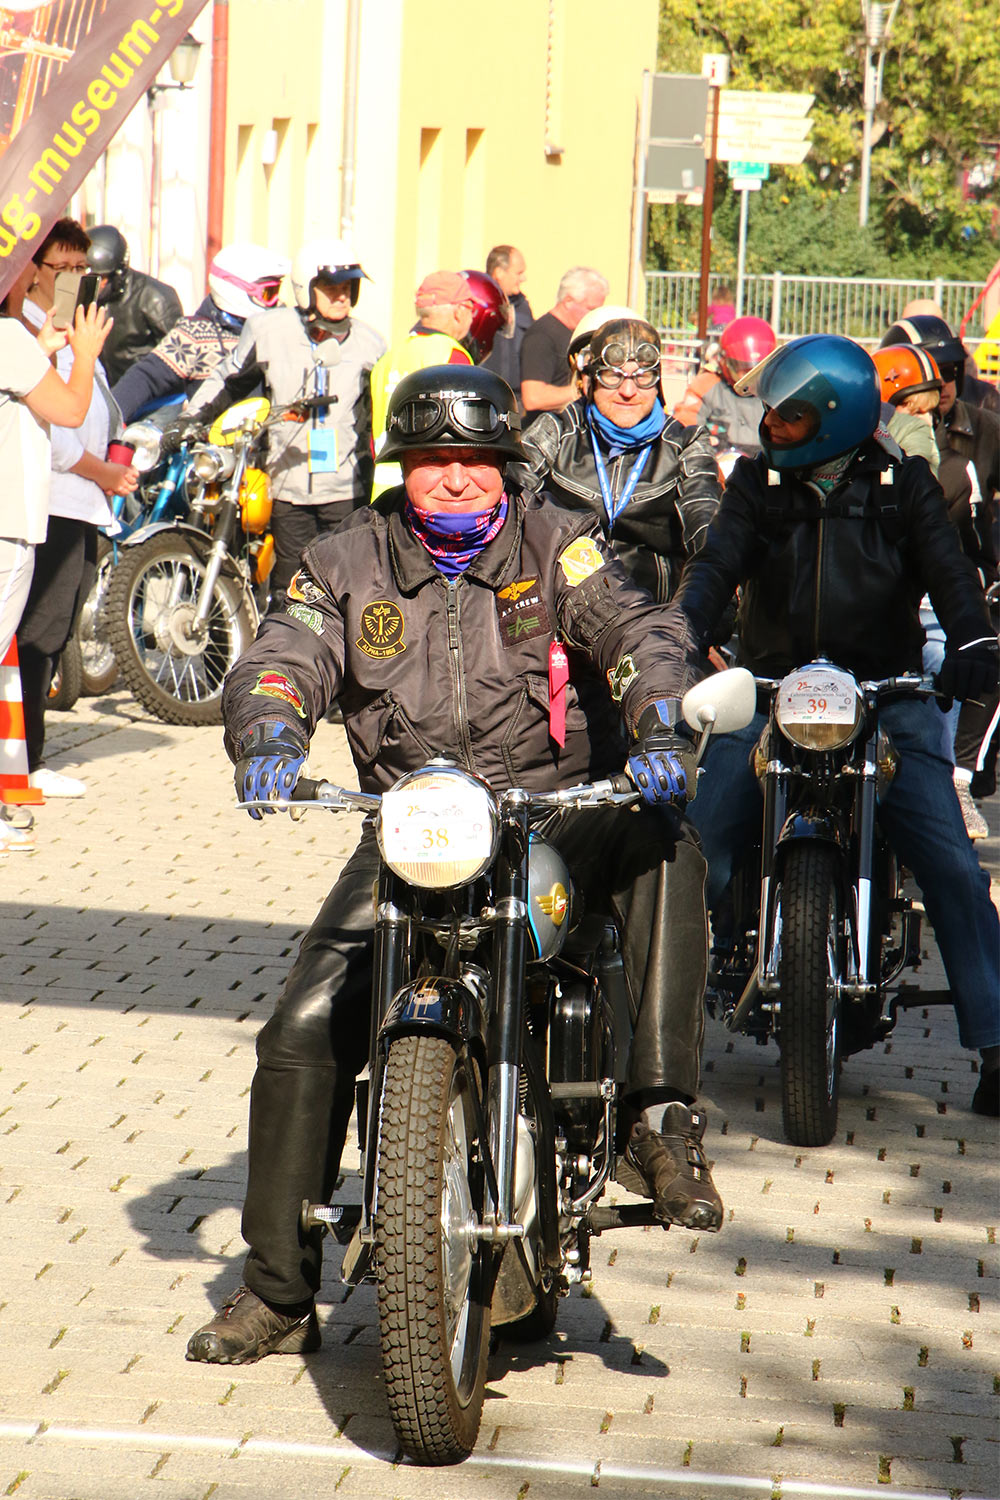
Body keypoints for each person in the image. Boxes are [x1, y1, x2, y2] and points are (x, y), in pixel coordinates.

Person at [185, 363, 724, 1365]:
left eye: (473, 461)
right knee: (300, 1027)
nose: (454, 479)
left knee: (666, 836)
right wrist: (267, 726)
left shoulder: (555, 542)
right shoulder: (345, 558)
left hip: (545, 807)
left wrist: (657, 723)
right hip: (416, 821)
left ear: (503, 467)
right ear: (405, 467)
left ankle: (660, 1115)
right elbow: (283, 649)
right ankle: (275, 1291)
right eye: (433, 461)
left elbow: (635, 628)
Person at [675, 334, 1000, 1117]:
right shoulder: (757, 484)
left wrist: (976, 640)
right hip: (769, 690)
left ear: (830, 416)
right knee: (695, 845)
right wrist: (678, 633)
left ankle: (994, 1040)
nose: (769, 428)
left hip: (884, 692)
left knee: (952, 863)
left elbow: (952, 573)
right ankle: (658, 1036)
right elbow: (716, 566)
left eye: (785, 418)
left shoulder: (903, 484)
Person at [184, 239, 387, 610]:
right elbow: (229, 380)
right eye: (331, 288)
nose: (342, 297)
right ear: (305, 289)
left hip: (346, 490)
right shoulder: (267, 330)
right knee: (291, 590)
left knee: (350, 588)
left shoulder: (372, 345)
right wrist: (190, 419)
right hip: (287, 486)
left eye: (348, 288)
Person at [19, 218, 138, 799]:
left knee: (56, 630)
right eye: (60, 269)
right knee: (36, 634)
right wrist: (103, 470)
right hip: (48, 502)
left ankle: (26, 757)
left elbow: (97, 413)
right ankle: (26, 760)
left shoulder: (74, 329)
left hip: (80, 503)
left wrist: (114, 465)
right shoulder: (28, 332)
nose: (71, 280)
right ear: (31, 269)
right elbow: (61, 430)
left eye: (79, 270)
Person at [0, 277, 111, 850]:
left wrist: (39, 349)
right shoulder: (5, 337)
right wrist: (83, 357)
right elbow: (69, 409)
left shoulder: (16, 342)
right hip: (7, 524)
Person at [517, 309, 721, 604]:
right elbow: (510, 496)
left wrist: (706, 606)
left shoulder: (685, 442)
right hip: (562, 608)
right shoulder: (557, 430)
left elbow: (705, 522)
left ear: (658, 381)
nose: (628, 390)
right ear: (590, 379)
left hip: (650, 616)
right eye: (613, 375)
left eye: (643, 377)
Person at [112, 243, 290, 422]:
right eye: (268, 293)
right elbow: (145, 377)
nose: (276, 302)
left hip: (274, 441)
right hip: (210, 443)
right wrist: (106, 421)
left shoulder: (281, 330)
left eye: (276, 292)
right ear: (235, 289)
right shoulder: (193, 336)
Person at [368, 270, 476, 496]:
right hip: (431, 489)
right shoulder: (453, 354)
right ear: (459, 311)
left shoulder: (387, 359)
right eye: (471, 310)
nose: (472, 318)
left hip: (383, 490)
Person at [87, 225, 182, 385]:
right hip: (111, 393)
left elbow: (180, 355)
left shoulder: (155, 298)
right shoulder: (85, 298)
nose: (95, 285)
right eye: (89, 277)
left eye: (100, 278)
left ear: (118, 272)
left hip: (156, 399)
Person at [520, 266, 608, 419]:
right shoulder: (542, 335)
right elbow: (533, 397)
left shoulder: (577, 333)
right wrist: (583, 387)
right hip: (547, 434)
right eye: (591, 308)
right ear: (568, 301)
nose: (596, 315)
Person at [692, 316, 777, 455]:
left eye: (758, 371)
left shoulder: (780, 391)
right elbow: (686, 427)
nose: (750, 379)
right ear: (725, 363)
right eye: (743, 370)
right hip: (717, 467)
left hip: (765, 467)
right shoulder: (706, 386)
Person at [482, 244, 533, 398]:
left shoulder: (522, 306)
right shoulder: (479, 305)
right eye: (519, 273)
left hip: (515, 398)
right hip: (485, 393)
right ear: (499, 272)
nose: (523, 278)